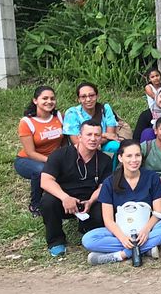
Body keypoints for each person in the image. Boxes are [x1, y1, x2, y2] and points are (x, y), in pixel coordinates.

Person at [81, 140, 161, 265]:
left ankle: (122, 254)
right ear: (120, 158)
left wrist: (146, 230)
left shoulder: (152, 177)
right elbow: (108, 219)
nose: (134, 160)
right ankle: (145, 249)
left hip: (146, 228)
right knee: (88, 239)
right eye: (129, 156)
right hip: (122, 229)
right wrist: (122, 237)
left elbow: (158, 212)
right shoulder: (110, 182)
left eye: (137, 155)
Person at [40, 120, 112, 256]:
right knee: (48, 202)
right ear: (79, 136)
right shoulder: (60, 155)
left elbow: (104, 186)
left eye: (97, 135)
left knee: (106, 204)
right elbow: (45, 181)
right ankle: (56, 241)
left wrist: (91, 201)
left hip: (89, 200)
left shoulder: (104, 160)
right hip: (64, 200)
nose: (93, 139)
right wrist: (65, 197)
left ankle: (87, 229)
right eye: (88, 134)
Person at [15, 86, 64, 215]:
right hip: (27, 160)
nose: (49, 101)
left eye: (52, 98)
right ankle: (35, 204)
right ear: (35, 100)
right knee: (41, 170)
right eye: (45, 98)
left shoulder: (59, 116)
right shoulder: (26, 122)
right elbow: (30, 153)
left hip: (53, 158)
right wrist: (52, 161)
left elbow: (65, 141)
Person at [63, 82, 120, 155]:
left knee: (115, 146)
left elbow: (111, 135)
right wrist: (104, 135)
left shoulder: (105, 109)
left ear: (97, 96)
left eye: (91, 95)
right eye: (83, 96)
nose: (88, 99)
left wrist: (95, 142)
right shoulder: (72, 113)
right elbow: (76, 141)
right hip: (80, 149)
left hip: (103, 145)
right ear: (78, 99)